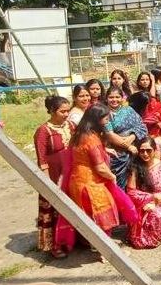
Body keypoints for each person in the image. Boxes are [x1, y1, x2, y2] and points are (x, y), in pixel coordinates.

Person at [65, 104, 120, 242]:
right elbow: (100, 167)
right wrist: (112, 177)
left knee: (88, 216)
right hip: (90, 184)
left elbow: (82, 152)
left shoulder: (80, 133)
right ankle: (104, 250)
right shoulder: (91, 139)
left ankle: (91, 244)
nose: (108, 122)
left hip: (77, 181)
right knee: (102, 213)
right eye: (106, 119)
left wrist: (105, 150)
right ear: (97, 120)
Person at [33, 95, 73, 259]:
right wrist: (48, 183)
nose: (66, 114)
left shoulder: (70, 125)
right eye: (62, 111)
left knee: (71, 208)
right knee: (55, 209)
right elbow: (42, 160)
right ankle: (54, 245)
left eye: (68, 111)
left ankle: (70, 239)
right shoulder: (43, 131)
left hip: (70, 172)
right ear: (51, 111)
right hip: (54, 176)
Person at [126, 137, 161, 249]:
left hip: (160, 202)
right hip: (140, 203)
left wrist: (154, 203)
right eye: (142, 151)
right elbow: (131, 191)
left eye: (148, 150)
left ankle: (157, 237)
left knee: (157, 215)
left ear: (155, 150)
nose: (145, 154)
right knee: (143, 217)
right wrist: (150, 198)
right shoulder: (135, 167)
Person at [103, 86, 146, 189]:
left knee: (134, 179)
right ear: (106, 98)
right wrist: (128, 146)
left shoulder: (129, 110)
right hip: (116, 154)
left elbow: (141, 126)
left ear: (122, 98)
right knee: (117, 182)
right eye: (111, 97)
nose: (114, 100)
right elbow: (109, 134)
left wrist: (132, 137)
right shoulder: (104, 113)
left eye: (117, 97)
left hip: (134, 150)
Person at [135, 72, 161, 136]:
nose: (145, 82)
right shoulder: (138, 94)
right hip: (144, 123)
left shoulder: (157, 92)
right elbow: (152, 97)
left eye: (147, 79)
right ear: (138, 82)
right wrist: (153, 81)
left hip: (156, 123)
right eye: (142, 80)